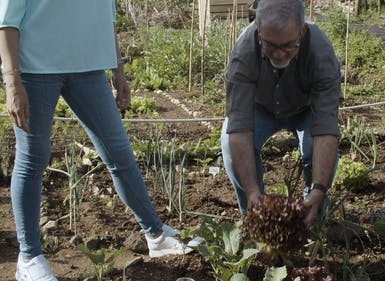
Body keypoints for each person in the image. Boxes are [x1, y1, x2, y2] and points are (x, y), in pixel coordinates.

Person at [0, 1, 191, 280]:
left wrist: (118, 70)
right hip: (34, 69)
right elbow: (6, 22)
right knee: (33, 158)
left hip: (88, 69)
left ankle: (156, 235)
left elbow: (106, 18)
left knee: (119, 153)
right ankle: (29, 258)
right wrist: (12, 82)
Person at [221, 0, 342, 226]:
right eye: (270, 45)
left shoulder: (320, 52)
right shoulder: (244, 50)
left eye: (288, 46)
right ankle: (253, 213)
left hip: (305, 108)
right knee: (228, 144)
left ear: (302, 31)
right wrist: (252, 192)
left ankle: (313, 213)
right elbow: (239, 128)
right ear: (258, 28)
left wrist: (318, 189)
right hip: (261, 108)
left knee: (313, 150)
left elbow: (326, 127)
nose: (278, 54)